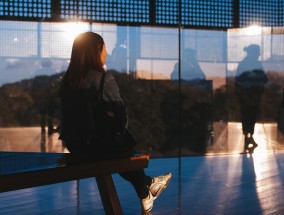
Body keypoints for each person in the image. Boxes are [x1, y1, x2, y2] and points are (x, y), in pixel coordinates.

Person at [59, 32, 172, 213]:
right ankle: (147, 189)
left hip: (76, 147)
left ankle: (148, 187)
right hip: (99, 147)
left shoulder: (68, 82)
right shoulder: (103, 79)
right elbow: (121, 118)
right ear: (96, 52)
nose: (107, 52)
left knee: (113, 150)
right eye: (104, 48)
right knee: (121, 147)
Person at [235, 44, 268, 153]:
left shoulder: (249, 64)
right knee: (248, 117)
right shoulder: (249, 64)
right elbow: (239, 80)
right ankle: (248, 137)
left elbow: (264, 78)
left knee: (250, 117)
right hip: (248, 96)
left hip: (251, 96)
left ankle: (248, 137)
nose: (258, 55)